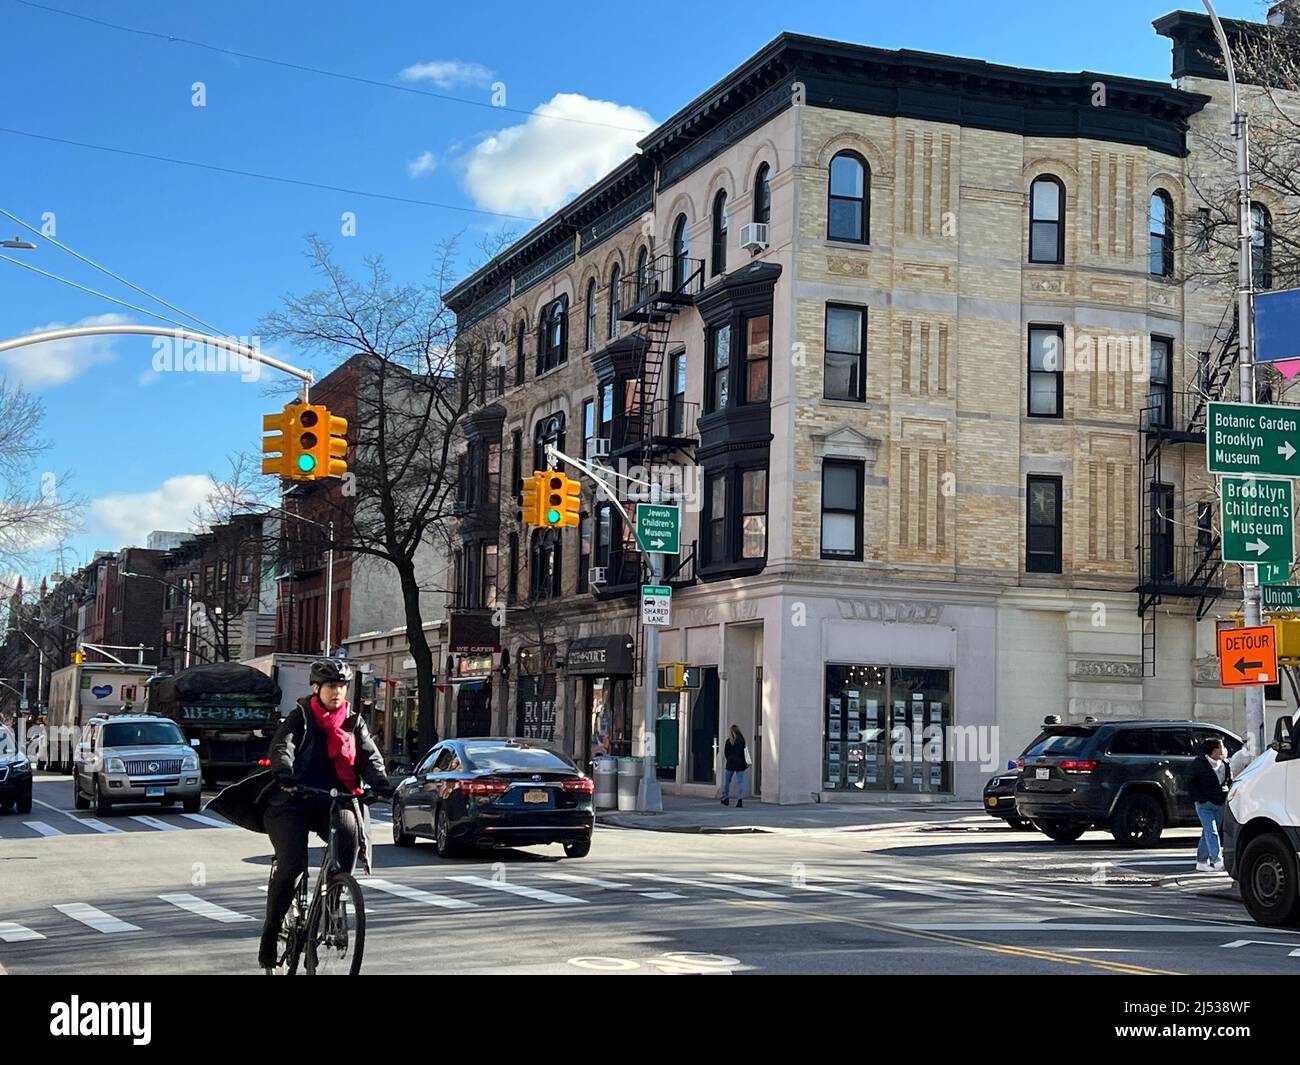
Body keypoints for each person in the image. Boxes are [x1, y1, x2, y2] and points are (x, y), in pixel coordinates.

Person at [208, 659, 392, 972]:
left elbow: (369, 757)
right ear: (317, 688)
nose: (337, 693)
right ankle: (270, 933)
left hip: (334, 798)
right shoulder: (301, 717)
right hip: (292, 799)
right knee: (292, 864)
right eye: (331, 686)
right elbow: (283, 747)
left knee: (348, 843)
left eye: (342, 687)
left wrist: (382, 785)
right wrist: (285, 774)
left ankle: (332, 908)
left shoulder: (352, 721)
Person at [1189, 736, 1232, 873]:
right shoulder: (1199, 763)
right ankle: (1217, 861)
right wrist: (1199, 798)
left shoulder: (1225, 764)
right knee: (1212, 831)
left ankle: (1201, 861)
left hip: (1219, 803)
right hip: (1204, 804)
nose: (1223, 750)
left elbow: (1227, 782)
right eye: (1221, 748)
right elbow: (1190, 783)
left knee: (1208, 832)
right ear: (1213, 751)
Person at [721, 725, 749, 808]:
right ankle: (740, 800)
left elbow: (726, 753)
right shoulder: (742, 741)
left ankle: (725, 798)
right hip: (740, 763)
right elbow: (744, 752)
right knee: (741, 782)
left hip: (730, 763)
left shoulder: (728, 741)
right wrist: (745, 762)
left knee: (727, 782)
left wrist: (729, 759)